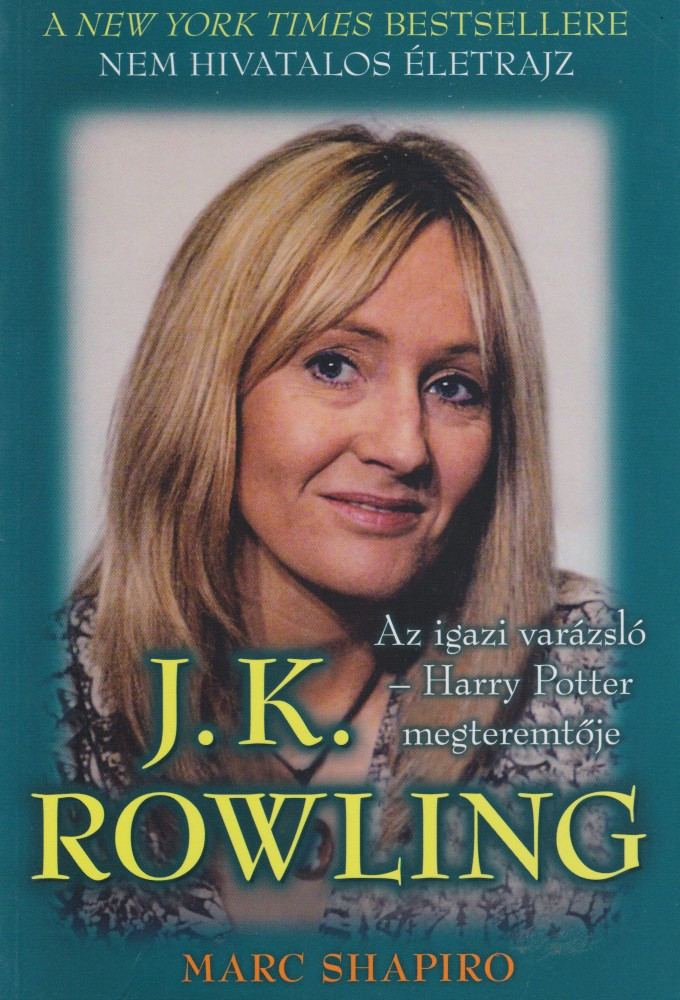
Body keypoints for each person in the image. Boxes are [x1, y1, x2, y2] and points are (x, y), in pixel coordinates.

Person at [59, 125, 617, 939]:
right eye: (333, 365)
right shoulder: (48, 703)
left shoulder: (595, 682)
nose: (404, 446)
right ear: (206, 387)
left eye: (454, 388)